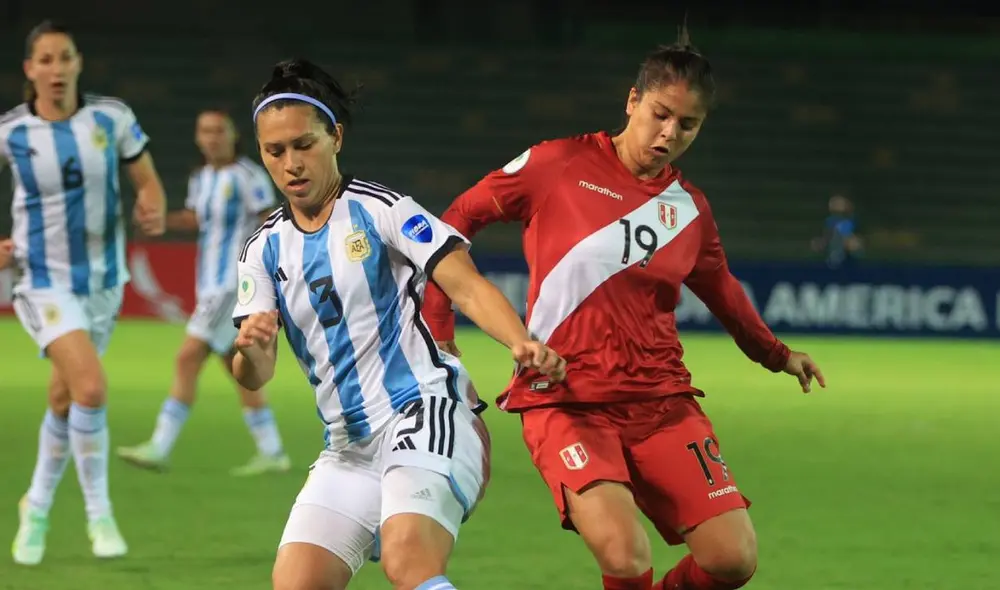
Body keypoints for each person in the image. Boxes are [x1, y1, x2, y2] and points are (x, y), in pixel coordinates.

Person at [422, 29, 826, 590]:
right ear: (632, 101)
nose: (669, 133)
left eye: (687, 125)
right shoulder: (557, 164)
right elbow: (453, 225)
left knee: (732, 559)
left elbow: (725, 292)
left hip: (661, 400)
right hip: (566, 398)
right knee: (625, 555)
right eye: (660, 114)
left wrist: (777, 354)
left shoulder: (689, 211)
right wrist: (439, 327)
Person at [235, 59, 566, 590]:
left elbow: (464, 284)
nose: (292, 163)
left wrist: (520, 340)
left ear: (335, 137)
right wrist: (251, 349)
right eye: (276, 151)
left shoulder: (382, 210)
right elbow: (254, 374)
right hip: (347, 448)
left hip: (425, 412)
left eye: (305, 145)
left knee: (408, 564)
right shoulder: (261, 250)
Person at [0, 21, 167, 565]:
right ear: (30, 70)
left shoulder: (110, 118)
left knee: (63, 397)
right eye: (44, 60)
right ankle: (100, 513)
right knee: (91, 389)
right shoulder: (12, 132)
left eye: (64, 58)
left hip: (103, 283)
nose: (55, 69)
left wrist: (154, 203)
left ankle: (37, 505)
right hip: (42, 282)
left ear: (77, 64)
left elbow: (146, 179)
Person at [117, 109, 291, 476]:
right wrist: (161, 220)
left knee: (187, 357)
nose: (212, 138)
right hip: (209, 281)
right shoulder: (202, 178)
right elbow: (197, 218)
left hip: (232, 282)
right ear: (198, 138)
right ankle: (272, 451)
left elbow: (270, 220)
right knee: (237, 367)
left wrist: (272, 275)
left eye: (219, 131)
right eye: (205, 131)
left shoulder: (248, 176)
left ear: (233, 136)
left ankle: (159, 446)